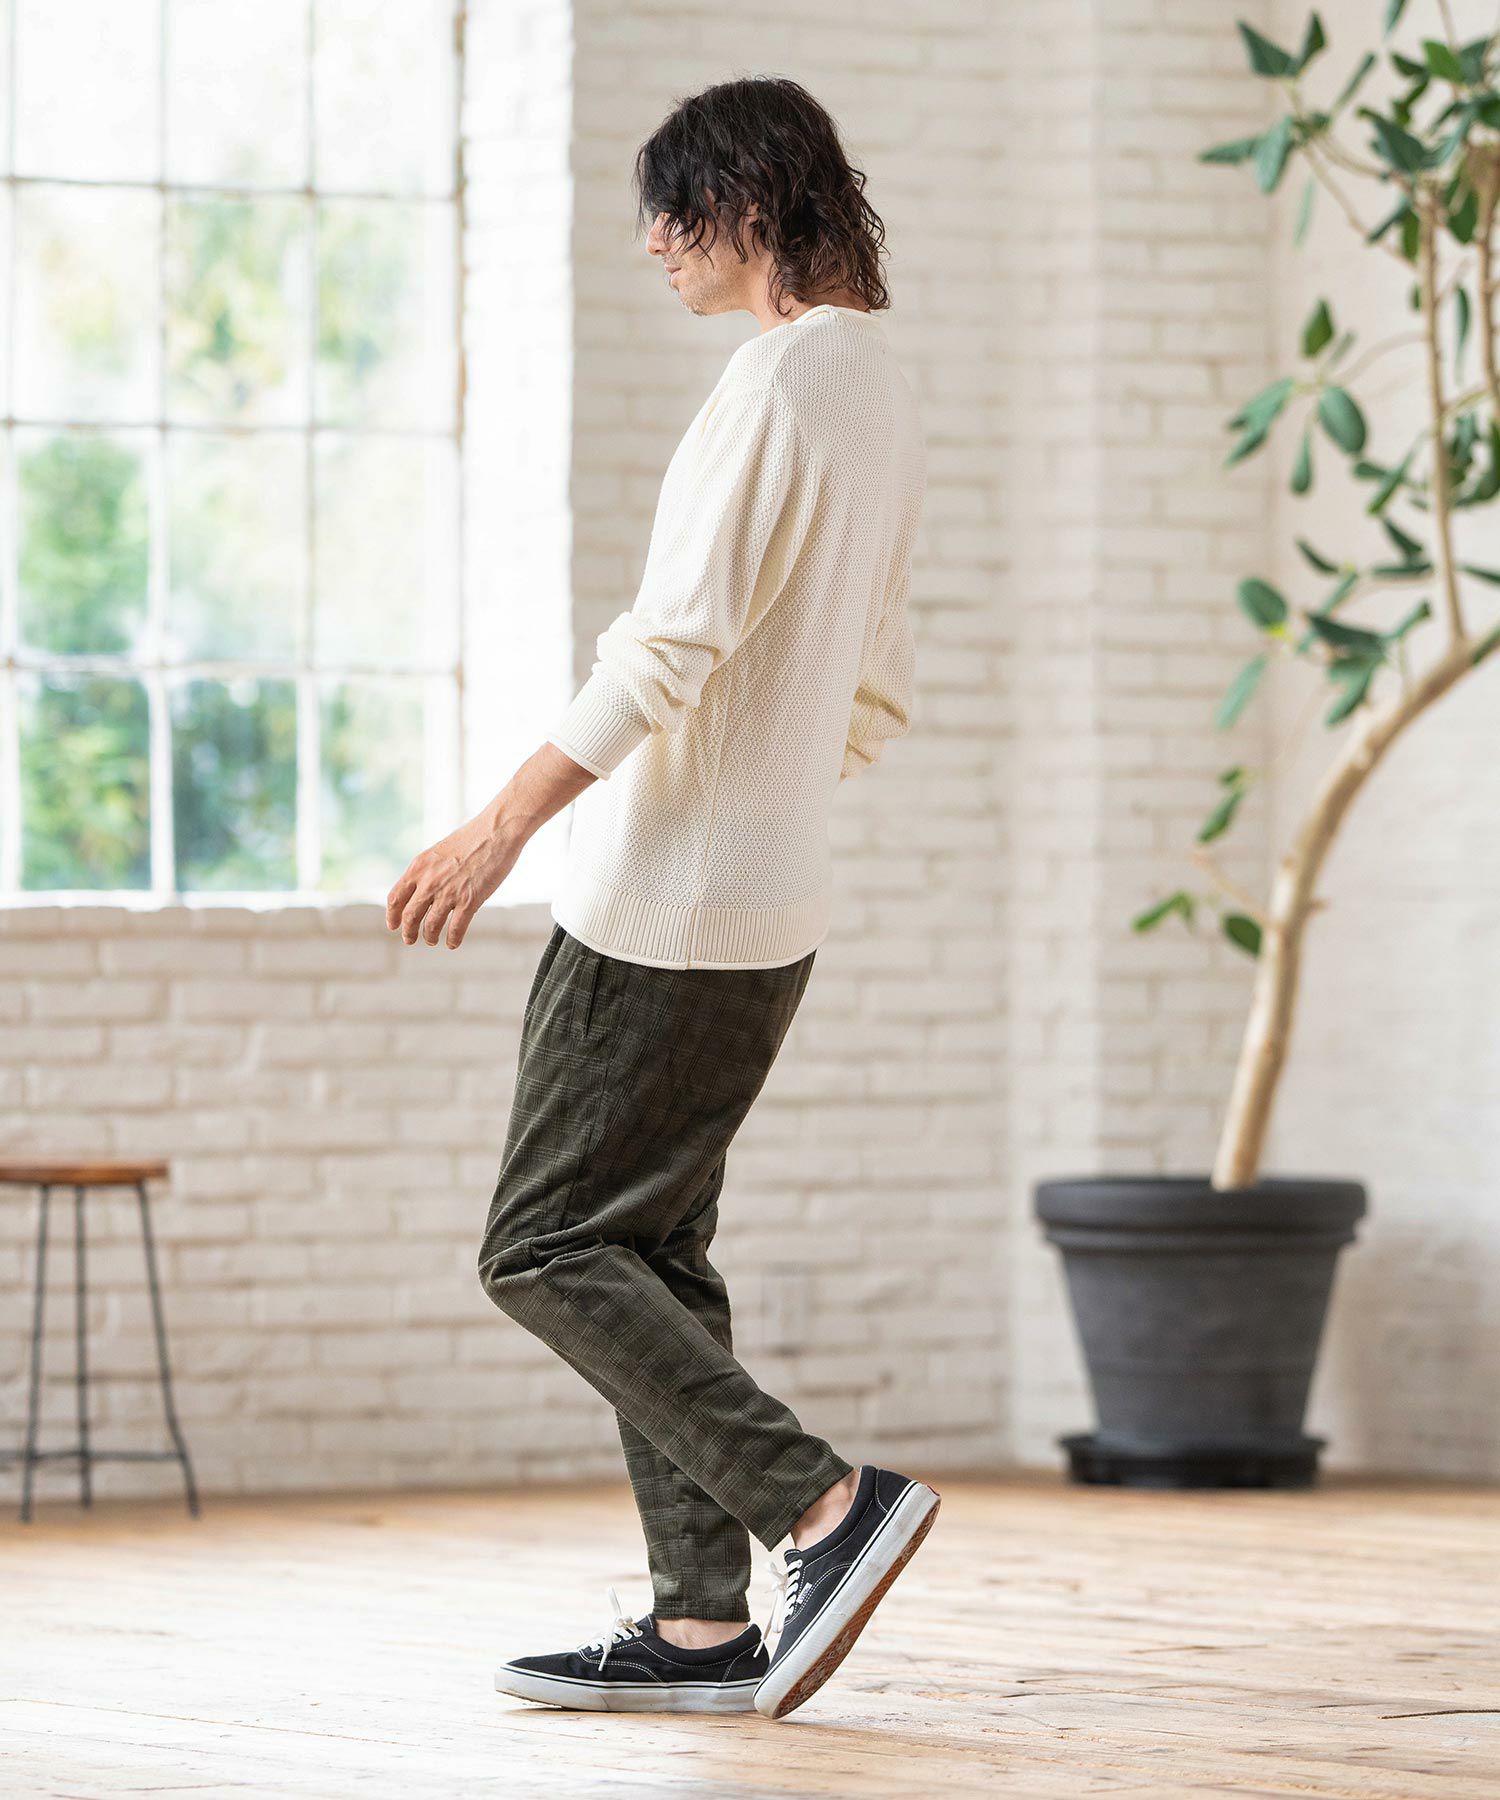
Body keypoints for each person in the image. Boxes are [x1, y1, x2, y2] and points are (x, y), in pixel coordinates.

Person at [386, 73, 935, 1721]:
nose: (650, 245)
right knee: (651, 1245)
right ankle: (702, 1628)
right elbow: (875, 690)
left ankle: (825, 1507)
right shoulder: (878, 386)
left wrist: (499, 827)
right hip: (773, 900)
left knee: (543, 1242)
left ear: (753, 202)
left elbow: (667, 648)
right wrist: (771, 799)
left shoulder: (777, 383)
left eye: (673, 211)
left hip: (663, 903)